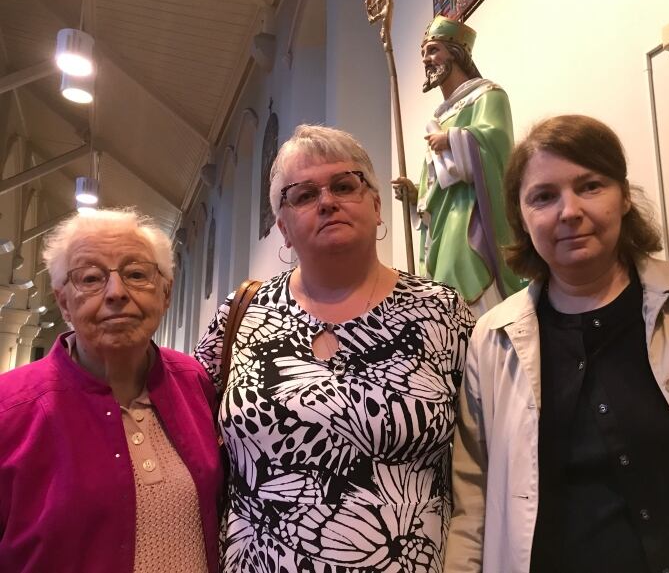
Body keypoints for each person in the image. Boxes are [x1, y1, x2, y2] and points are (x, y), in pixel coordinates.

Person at [445, 115, 669, 573]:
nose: (569, 212)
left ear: (623, 197)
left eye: (590, 186)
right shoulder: (492, 341)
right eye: (543, 197)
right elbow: (473, 500)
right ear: (521, 219)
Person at [195, 124, 474, 573]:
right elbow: (185, 427)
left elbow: (481, 458)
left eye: (345, 185)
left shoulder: (442, 312)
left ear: (377, 206)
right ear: (283, 228)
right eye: (304, 195)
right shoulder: (242, 313)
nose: (327, 201)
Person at [0, 209, 222, 573]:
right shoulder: (10, 409)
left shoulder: (193, 382)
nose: (117, 293)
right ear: (63, 302)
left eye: (136, 275)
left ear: (166, 294)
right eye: (90, 278)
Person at [393, 15, 526, 315]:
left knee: (467, 282)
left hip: (472, 217)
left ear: (456, 53)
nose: (426, 59)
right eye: (424, 53)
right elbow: (439, 179)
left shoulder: (488, 96)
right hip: (442, 221)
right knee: (442, 291)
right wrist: (415, 194)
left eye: (434, 50)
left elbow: (499, 146)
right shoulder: (440, 116)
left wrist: (455, 140)